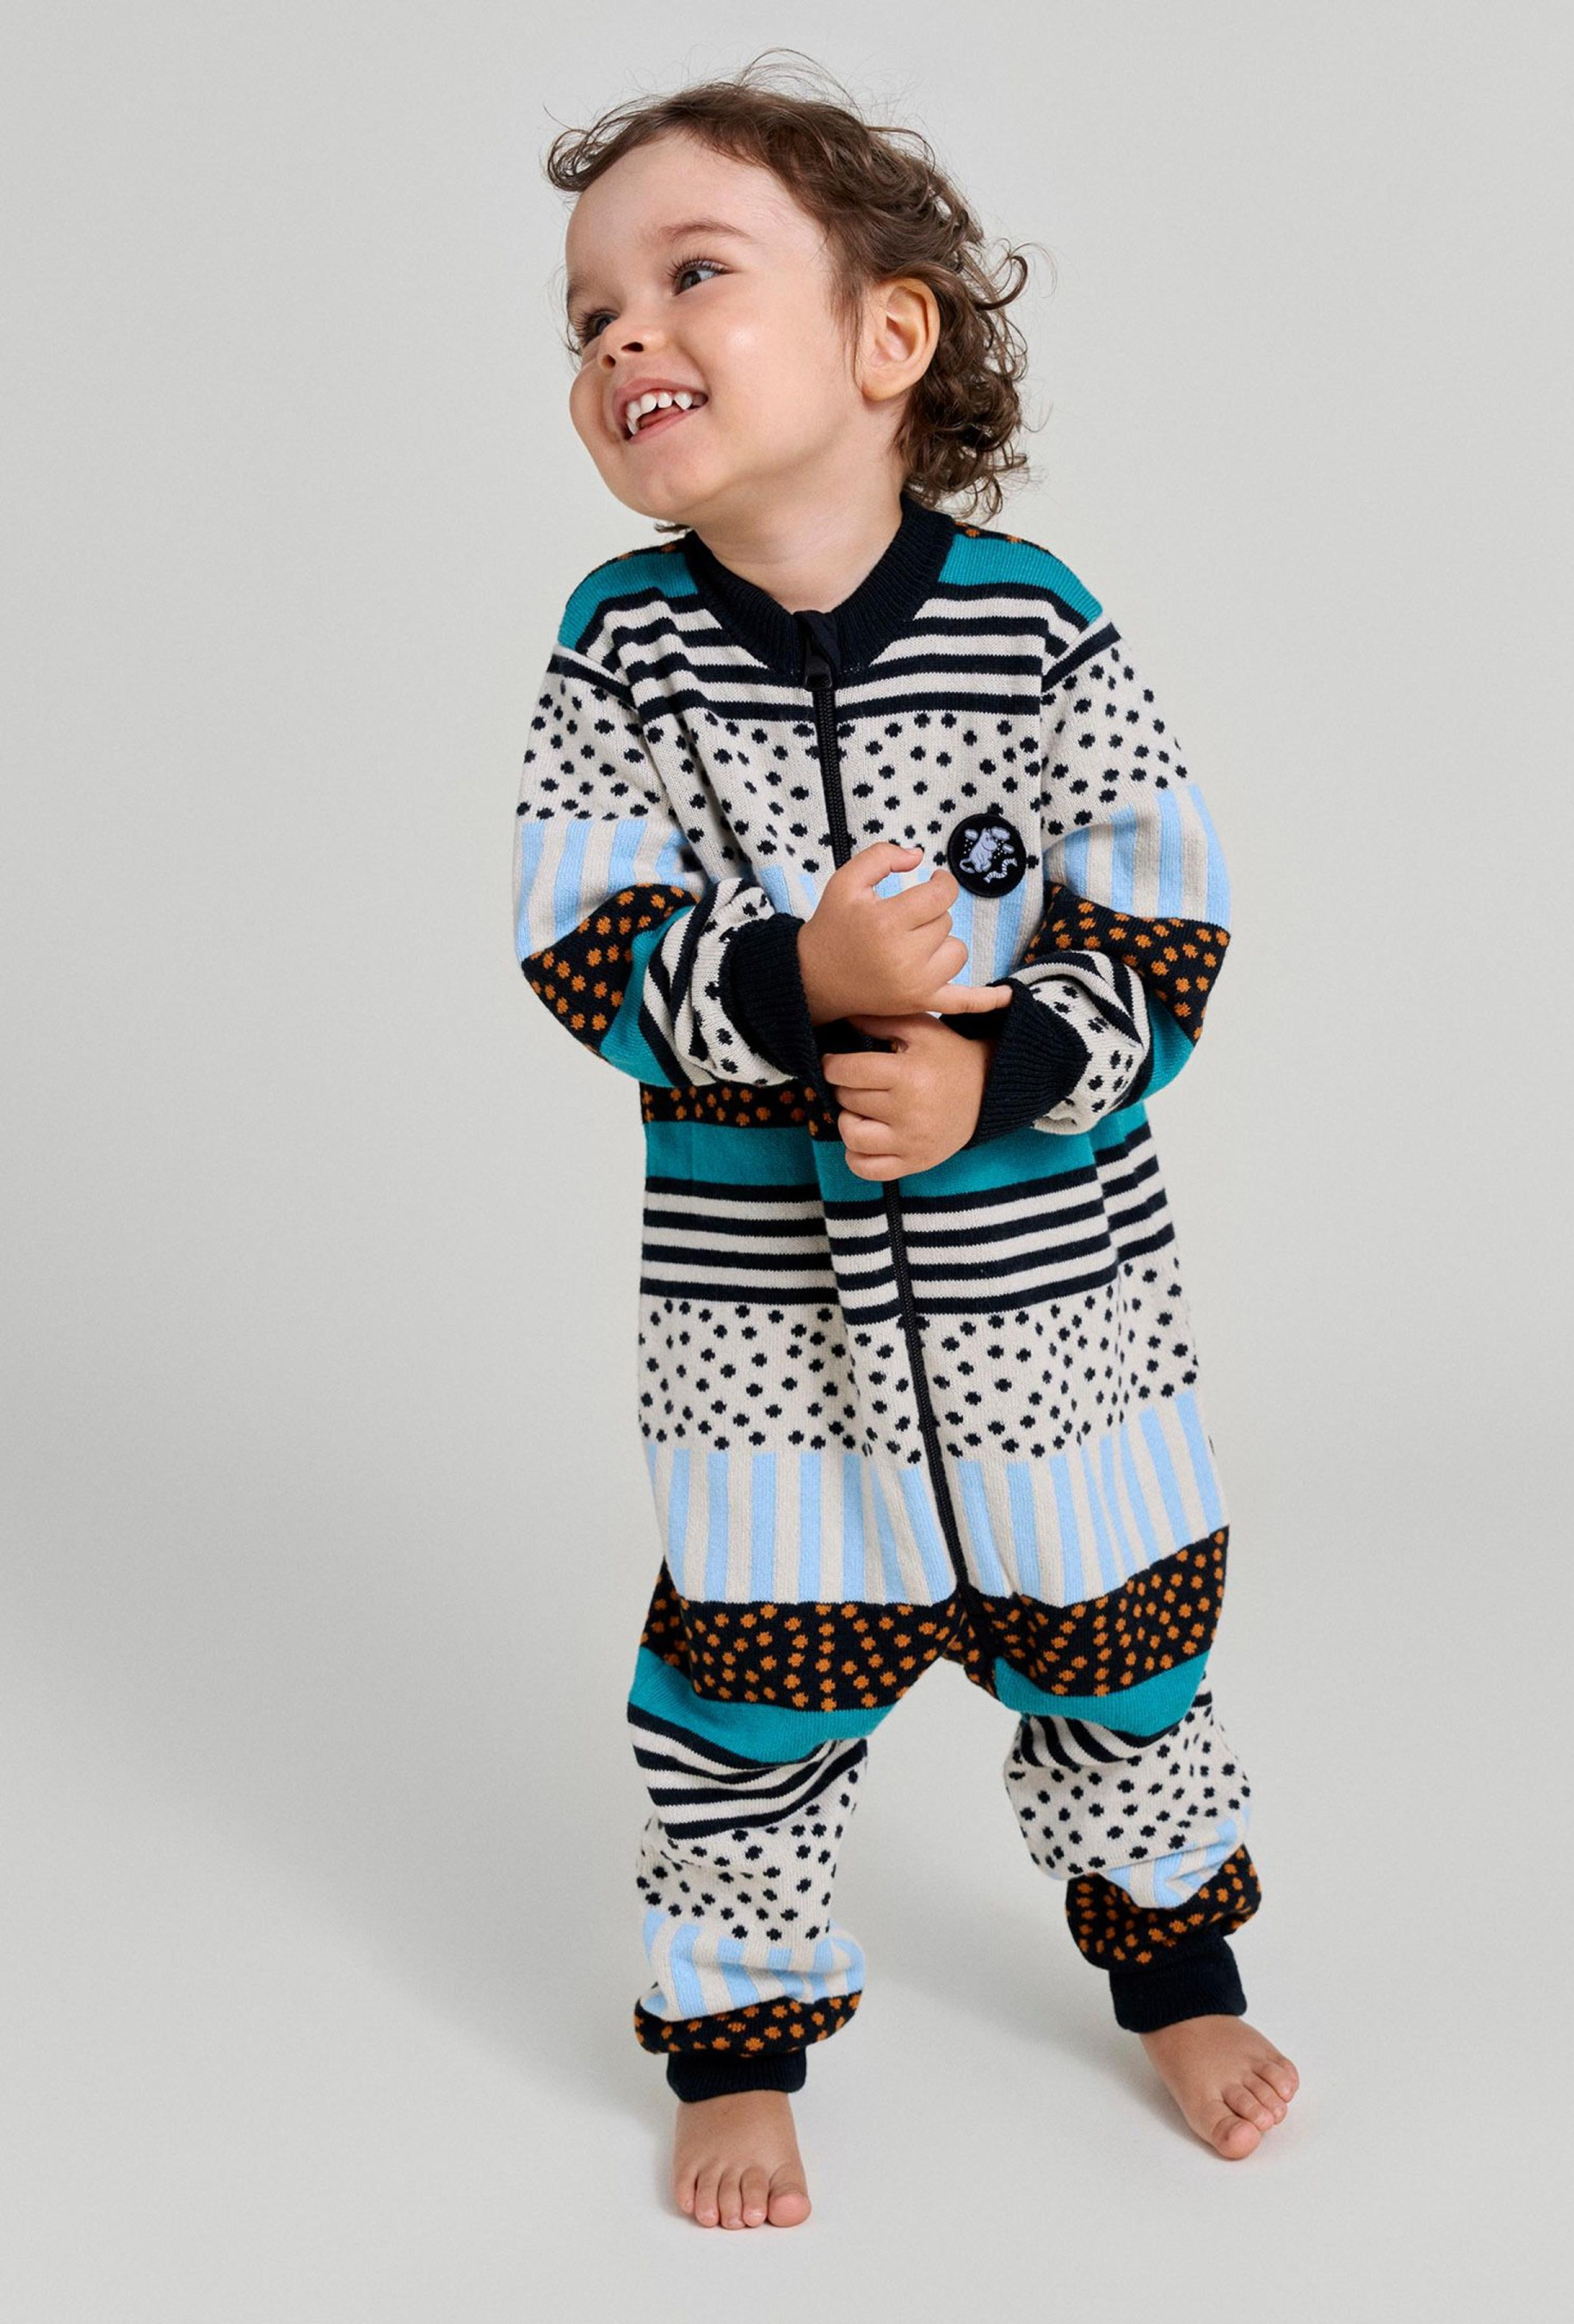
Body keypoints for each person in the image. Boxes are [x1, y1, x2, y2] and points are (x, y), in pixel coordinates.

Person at [514, 57, 1299, 2229]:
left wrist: (994, 1072)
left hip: (1059, 1337)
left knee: (1129, 1665)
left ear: (884, 339)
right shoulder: (620, 650)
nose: (624, 335)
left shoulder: (1034, 623)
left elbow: (1165, 921)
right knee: (745, 1705)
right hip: (769, 1355)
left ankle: (1177, 1974)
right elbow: (579, 940)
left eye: (690, 275)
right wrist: (799, 984)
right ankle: (735, 2038)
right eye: (587, 316)